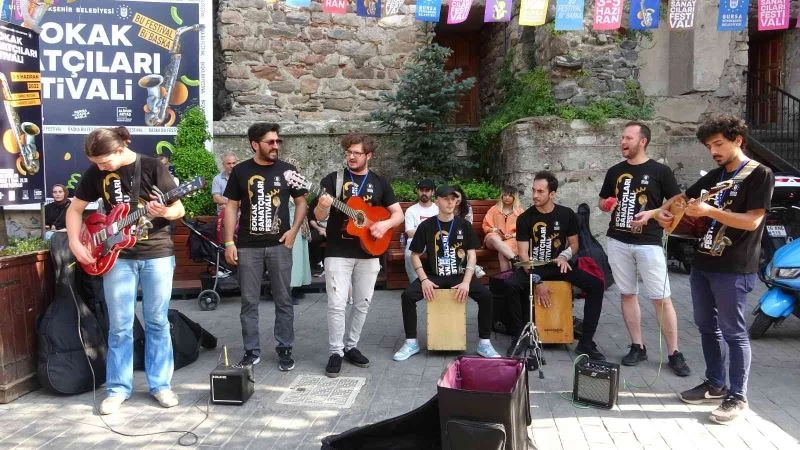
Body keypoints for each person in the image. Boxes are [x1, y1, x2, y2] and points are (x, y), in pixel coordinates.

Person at [657, 115, 773, 424]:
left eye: (718, 144)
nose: (713, 151)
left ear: (738, 140)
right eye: (709, 146)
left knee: (734, 332)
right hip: (703, 262)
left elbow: (753, 221)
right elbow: (683, 198)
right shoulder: (717, 175)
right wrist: (662, 213)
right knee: (707, 327)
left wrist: (710, 210)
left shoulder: (759, 174)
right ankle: (715, 383)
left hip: (735, 266)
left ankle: (738, 396)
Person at [65, 126, 184, 415]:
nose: (101, 167)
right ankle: (118, 388)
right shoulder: (96, 173)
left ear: (120, 149)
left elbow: (178, 210)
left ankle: (160, 385)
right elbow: (75, 209)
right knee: (119, 326)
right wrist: (75, 242)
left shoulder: (153, 167)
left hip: (156, 252)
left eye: (105, 161)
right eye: (96, 163)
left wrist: (163, 212)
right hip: (117, 256)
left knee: (157, 321)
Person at [598, 121, 691, 377]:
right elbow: (602, 201)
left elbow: (678, 201)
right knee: (627, 293)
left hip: (649, 241)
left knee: (661, 297)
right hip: (618, 240)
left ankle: (674, 352)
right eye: (622, 138)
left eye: (628, 138)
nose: (623, 142)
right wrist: (606, 204)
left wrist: (654, 213)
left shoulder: (660, 171)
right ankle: (637, 346)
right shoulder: (615, 171)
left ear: (643, 141)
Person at [312, 133, 404, 378]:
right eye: (348, 152)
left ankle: (351, 346)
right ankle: (336, 351)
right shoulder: (333, 180)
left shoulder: (379, 182)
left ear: (369, 155)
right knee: (337, 303)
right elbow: (319, 216)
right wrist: (322, 205)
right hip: (337, 251)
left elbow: (398, 214)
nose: (351, 157)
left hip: (370, 251)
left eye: (357, 153)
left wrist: (384, 225)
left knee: (362, 302)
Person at [223, 123, 308, 371]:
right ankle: (251, 350)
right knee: (249, 301)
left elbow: (302, 202)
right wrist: (229, 242)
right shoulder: (240, 171)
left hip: (279, 245)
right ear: (254, 144)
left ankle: (285, 348)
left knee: (284, 300)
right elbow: (231, 207)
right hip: (248, 247)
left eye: (277, 141)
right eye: (270, 142)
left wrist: (293, 231)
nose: (275, 146)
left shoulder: (288, 170)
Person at [393, 185, 501, 361]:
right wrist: (424, 280)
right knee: (407, 296)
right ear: (437, 201)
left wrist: (466, 282)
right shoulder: (426, 226)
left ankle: (484, 342)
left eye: (453, 199)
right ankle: (411, 342)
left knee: (486, 296)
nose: (450, 203)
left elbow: (472, 255)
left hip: (459, 275)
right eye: (446, 199)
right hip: (434, 275)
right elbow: (414, 255)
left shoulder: (464, 225)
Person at [508, 171, 605, 359]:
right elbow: (523, 254)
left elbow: (574, 244)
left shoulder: (566, 214)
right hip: (533, 267)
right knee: (511, 285)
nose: (535, 195)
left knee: (596, 285)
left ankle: (585, 343)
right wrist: (537, 281)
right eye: (533, 190)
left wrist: (564, 256)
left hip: (557, 266)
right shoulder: (525, 218)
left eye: (540, 191)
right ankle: (519, 336)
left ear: (552, 194)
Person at [403, 179, 438, 281]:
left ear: (432, 192)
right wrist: (429, 232)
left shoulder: (438, 209)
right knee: (409, 253)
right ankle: (415, 282)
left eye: (427, 190)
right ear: (417, 191)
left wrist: (421, 231)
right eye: (421, 190)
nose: (424, 193)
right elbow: (409, 233)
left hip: (436, 240)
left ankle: (440, 282)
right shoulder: (411, 210)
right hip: (417, 241)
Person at [482, 185, 524, 272]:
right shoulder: (494, 209)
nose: (507, 198)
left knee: (503, 252)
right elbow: (485, 226)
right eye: (505, 195)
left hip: (511, 240)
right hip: (494, 240)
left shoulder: (519, 212)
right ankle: (515, 261)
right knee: (493, 238)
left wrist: (512, 235)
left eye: (510, 195)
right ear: (501, 196)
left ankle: (505, 278)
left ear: (514, 198)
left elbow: (524, 230)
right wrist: (494, 230)